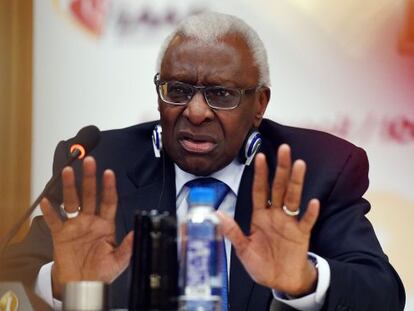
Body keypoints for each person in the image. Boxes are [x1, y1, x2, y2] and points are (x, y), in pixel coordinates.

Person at [0, 12, 405, 310]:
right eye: (177, 89)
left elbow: (383, 293)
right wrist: (59, 280)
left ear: (259, 103)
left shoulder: (318, 168)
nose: (195, 112)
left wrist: (305, 279)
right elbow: (10, 274)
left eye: (222, 94)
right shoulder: (100, 165)